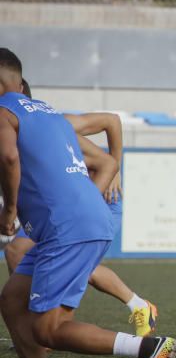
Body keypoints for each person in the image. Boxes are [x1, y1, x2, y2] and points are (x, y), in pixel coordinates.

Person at [0, 48, 175, 358]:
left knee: (48, 329)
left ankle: (149, 348)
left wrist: (10, 209)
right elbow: (105, 159)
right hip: (67, 226)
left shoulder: (6, 113)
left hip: (68, 228)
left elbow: (9, 158)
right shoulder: (50, 115)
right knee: (13, 301)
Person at [3, 80, 158, 337]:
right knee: (23, 252)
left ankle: (138, 306)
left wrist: (116, 167)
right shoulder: (32, 136)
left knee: (69, 260)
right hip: (71, 208)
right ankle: (38, 323)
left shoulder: (53, 125)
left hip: (94, 202)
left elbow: (111, 126)